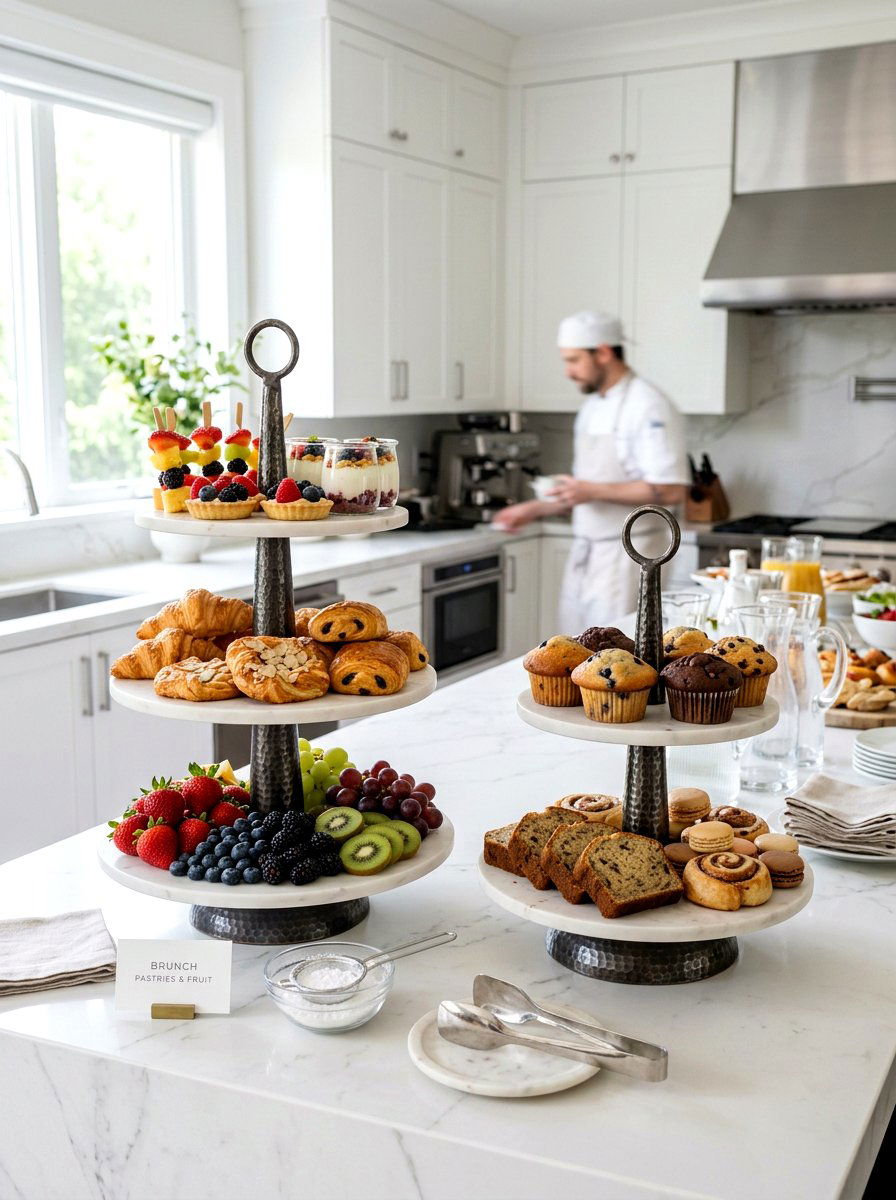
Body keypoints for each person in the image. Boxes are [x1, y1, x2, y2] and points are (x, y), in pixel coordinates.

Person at [493, 311, 688, 630]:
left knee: (620, 658)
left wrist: (590, 490)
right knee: (576, 652)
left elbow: (670, 489)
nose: (568, 372)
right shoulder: (591, 407)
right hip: (586, 550)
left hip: (631, 555)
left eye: (574, 360)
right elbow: (584, 489)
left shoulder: (648, 404)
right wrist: (535, 509)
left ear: (604, 352)